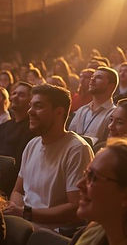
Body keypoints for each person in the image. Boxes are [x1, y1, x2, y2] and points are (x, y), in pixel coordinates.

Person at [5, 84, 93, 228]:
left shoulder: (77, 149)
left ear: (59, 112)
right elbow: (18, 191)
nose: (30, 112)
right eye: (30, 106)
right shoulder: (32, 144)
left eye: (38, 106)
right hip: (23, 224)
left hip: (49, 233)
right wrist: (19, 214)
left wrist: (25, 213)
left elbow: (75, 207)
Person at [69, 66, 118, 144]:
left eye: (99, 77)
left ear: (111, 86)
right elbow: (70, 137)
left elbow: (109, 144)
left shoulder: (114, 114)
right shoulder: (82, 110)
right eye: (92, 77)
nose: (92, 79)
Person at [0, 81, 35, 162]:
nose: (14, 97)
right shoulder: (1, 127)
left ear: (30, 102)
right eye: (14, 93)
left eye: (21, 95)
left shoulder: (32, 129)